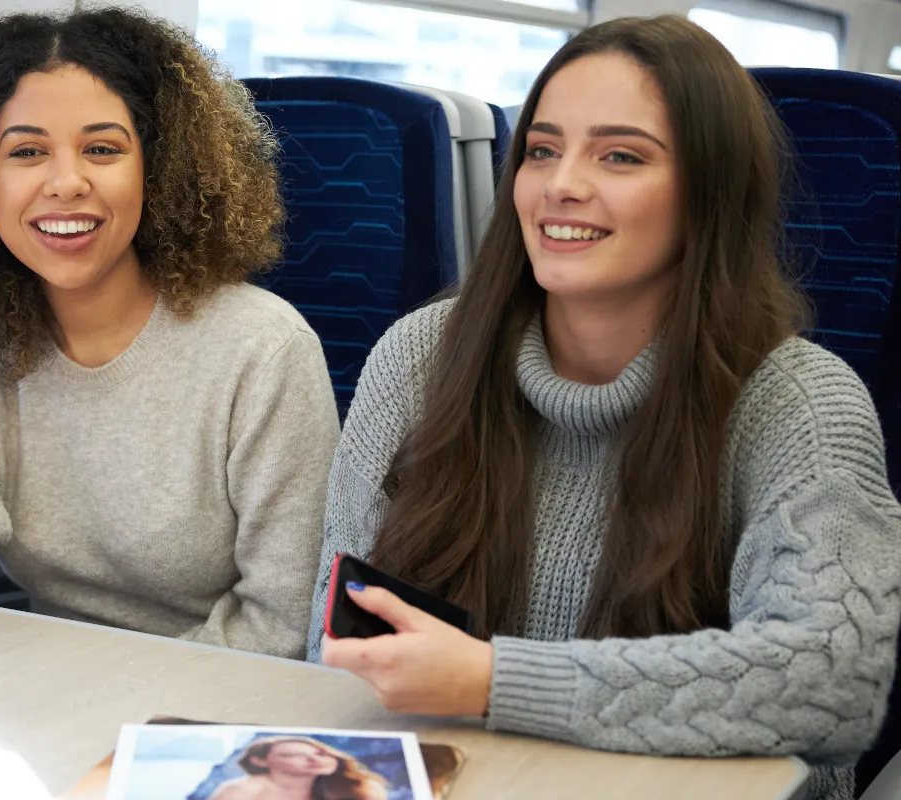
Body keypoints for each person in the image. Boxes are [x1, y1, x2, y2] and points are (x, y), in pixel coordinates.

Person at [307, 14, 901, 800]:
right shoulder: (421, 356)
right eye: (543, 150)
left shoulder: (801, 405)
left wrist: (495, 681)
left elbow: (829, 683)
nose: (561, 184)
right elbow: (336, 648)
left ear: (708, 195)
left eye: (620, 156)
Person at [0, 8, 340, 660]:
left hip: (203, 709)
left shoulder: (263, 350)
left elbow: (283, 626)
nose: (67, 182)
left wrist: (119, 709)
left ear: (157, 171)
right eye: (26, 152)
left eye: (102, 149)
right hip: (58, 697)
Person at [206, 737, 387, 800]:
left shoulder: (358, 786)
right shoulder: (243, 790)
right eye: (293, 755)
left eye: (320, 753)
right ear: (260, 761)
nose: (314, 760)